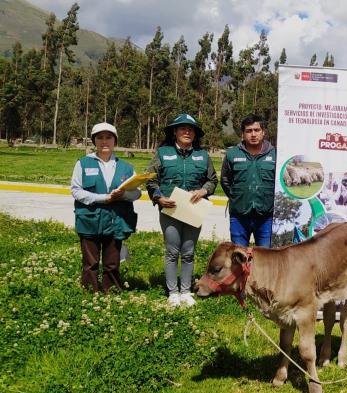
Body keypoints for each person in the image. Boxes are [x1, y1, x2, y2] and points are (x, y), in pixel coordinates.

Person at [146, 113, 218, 307]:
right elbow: (151, 179)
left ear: (195, 134)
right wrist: (159, 197)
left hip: (194, 211)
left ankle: (185, 291)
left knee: (188, 252)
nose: (187, 132)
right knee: (172, 251)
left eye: (190, 129)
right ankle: (173, 292)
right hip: (170, 211)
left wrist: (204, 190)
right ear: (175, 132)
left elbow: (212, 180)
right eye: (183, 128)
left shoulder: (202, 156)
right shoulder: (163, 153)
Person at [71, 122, 141, 292]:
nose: (104, 142)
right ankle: (90, 293)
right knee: (90, 262)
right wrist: (103, 198)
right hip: (89, 220)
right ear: (94, 141)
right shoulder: (83, 164)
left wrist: (123, 195)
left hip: (115, 221)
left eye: (108, 137)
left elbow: (137, 193)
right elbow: (76, 191)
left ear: (114, 141)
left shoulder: (126, 167)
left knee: (112, 262)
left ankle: (111, 292)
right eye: (100, 138)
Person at [220, 114, 277, 247]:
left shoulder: (275, 154)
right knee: (239, 257)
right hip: (239, 216)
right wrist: (238, 197)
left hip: (266, 216)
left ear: (263, 132)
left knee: (265, 259)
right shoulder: (232, 154)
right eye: (249, 131)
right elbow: (225, 181)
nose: (253, 134)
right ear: (243, 134)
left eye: (257, 130)